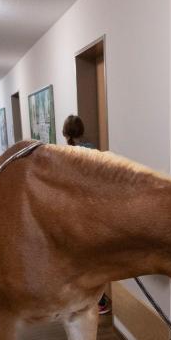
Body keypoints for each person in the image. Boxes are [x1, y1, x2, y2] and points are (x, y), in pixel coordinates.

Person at [62, 114, 110, 314]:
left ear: (65, 133)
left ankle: (81, 298)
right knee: (94, 259)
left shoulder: (62, 154)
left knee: (76, 260)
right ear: (82, 131)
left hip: (73, 212)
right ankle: (99, 300)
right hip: (93, 211)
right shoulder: (93, 151)